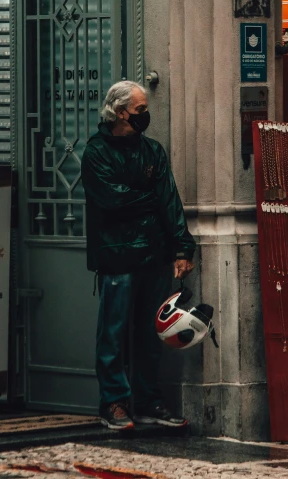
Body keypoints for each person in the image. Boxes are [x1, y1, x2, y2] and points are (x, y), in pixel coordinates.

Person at [81, 80, 196, 431]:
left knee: (152, 333)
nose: (146, 115)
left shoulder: (153, 151)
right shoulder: (96, 152)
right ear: (120, 112)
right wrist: (147, 199)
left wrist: (182, 246)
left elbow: (169, 199)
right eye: (141, 110)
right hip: (117, 255)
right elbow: (112, 200)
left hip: (154, 253)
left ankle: (147, 402)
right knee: (113, 333)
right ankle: (113, 403)